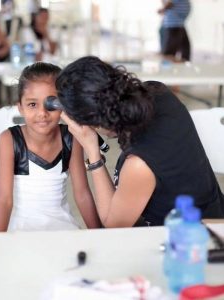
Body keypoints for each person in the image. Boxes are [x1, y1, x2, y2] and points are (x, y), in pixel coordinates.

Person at [56, 56, 224, 227]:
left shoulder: (139, 165)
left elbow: (113, 225)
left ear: (94, 122)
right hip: (213, 213)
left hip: (190, 240)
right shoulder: (157, 92)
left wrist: (92, 149)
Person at [0, 61, 101, 232]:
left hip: (63, 228)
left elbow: (82, 194)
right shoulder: (8, 140)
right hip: (22, 230)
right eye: (32, 104)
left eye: (51, 104)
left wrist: (100, 234)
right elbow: (4, 200)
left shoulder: (70, 138)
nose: (42, 113)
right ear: (20, 107)